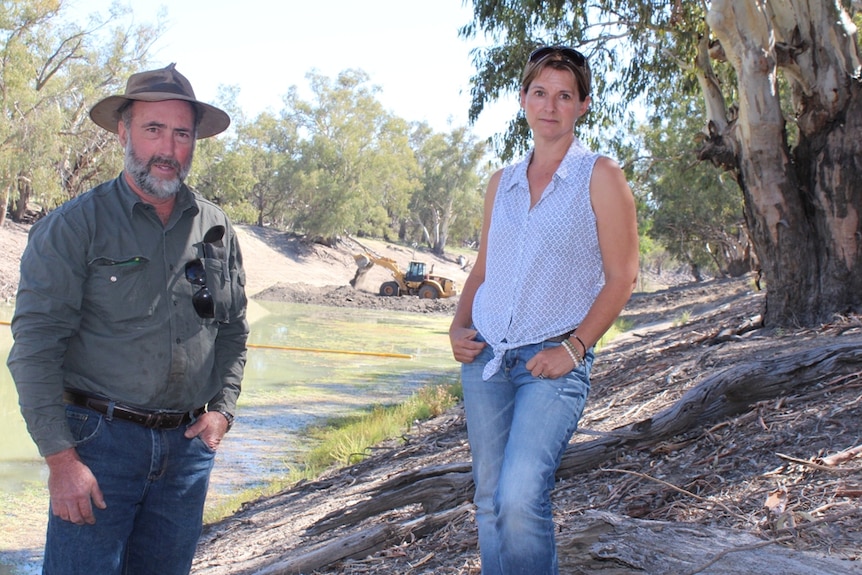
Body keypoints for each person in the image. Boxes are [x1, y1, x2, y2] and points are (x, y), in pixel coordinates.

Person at [7, 63, 249, 575]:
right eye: (153, 129)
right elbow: (34, 349)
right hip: (97, 446)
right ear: (123, 132)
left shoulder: (216, 227)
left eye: (182, 133)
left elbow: (232, 329)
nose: (168, 148)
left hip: (186, 451)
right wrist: (60, 461)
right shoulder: (74, 226)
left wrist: (222, 411)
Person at [449, 46, 639, 575]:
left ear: (582, 106)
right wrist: (457, 326)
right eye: (540, 93)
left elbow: (623, 277)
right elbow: (486, 267)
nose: (550, 106)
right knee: (489, 501)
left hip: (551, 362)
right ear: (523, 100)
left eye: (563, 96)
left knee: (519, 496)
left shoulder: (599, 176)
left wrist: (573, 349)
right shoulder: (500, 182)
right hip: (487, 358)